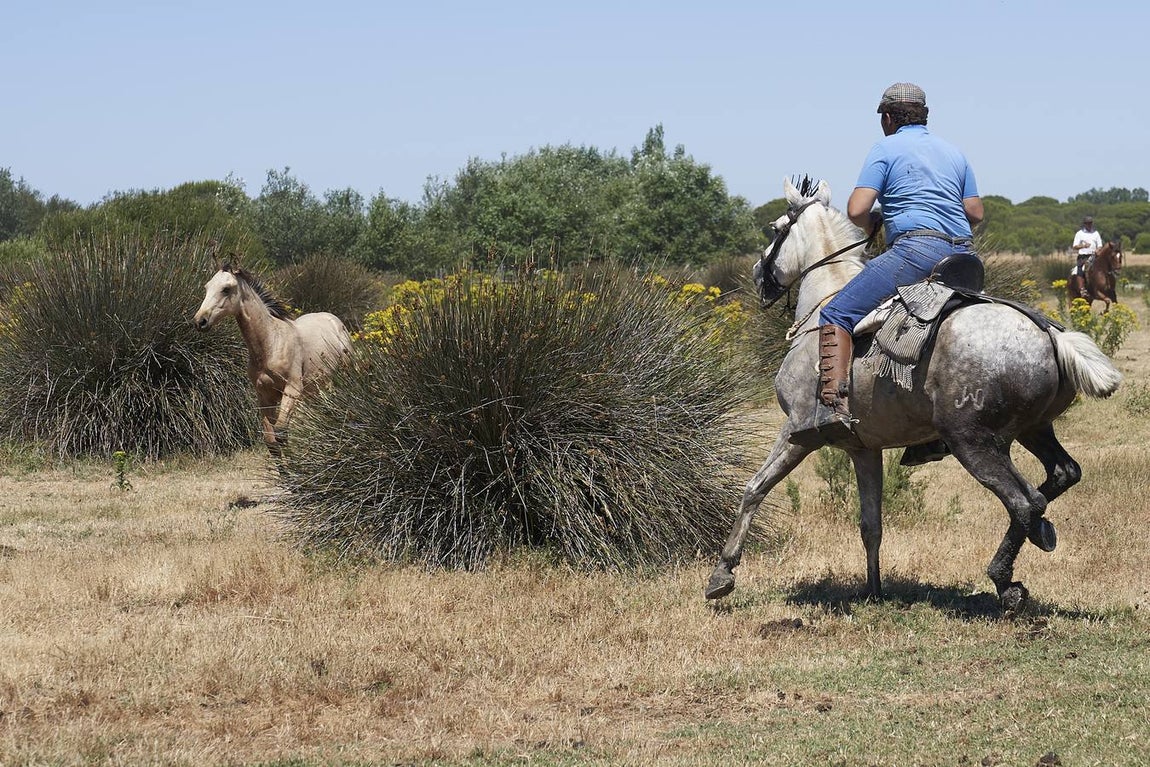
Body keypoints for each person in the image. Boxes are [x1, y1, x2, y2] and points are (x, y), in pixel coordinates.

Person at [790, 82, 984, 447]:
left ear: (889, 118)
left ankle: (833, 411)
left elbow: (856, 209)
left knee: (837, 313)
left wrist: (877, 222)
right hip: (964, 258)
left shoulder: (885, 148)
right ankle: (930, 433)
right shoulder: (955, 153)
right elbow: (975, 212)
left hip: (916, 253)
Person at [1071, 216, 1103, 296]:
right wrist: (1083, 246)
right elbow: (1075, 246)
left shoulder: (1096, 233)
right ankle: (1082, 289)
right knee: (1080, 270)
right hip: (1083, 257)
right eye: (1088, 223)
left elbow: (1100, 245)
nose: (1089, 225)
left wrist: (1097, 250)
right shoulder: (1079, 234)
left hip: (1094, 256)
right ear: (1084, 224)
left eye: (1090, 223)